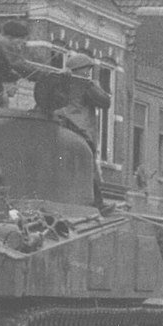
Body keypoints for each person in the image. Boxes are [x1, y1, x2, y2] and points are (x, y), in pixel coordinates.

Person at [40, 53, 111, 209]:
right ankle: (98, 204)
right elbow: (105, 101)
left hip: (59, 127)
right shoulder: (86, 85)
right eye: (86, 70)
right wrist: (94, 85)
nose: (88, 73)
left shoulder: (57, 82)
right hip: (80, 129)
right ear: (81, 70)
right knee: (88, 166)